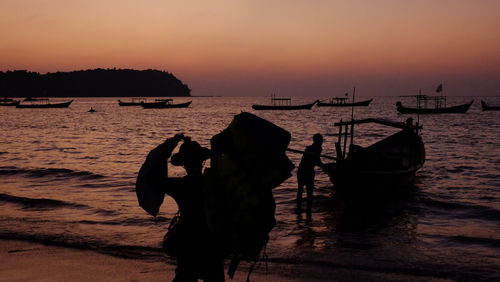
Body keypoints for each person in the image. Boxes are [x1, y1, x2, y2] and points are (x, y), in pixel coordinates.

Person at [161, 134, 225, 282]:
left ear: (184, 164)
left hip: (187, 239)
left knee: (185, 275)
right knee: (214, 276)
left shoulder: (180, 185)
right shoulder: (214, 181)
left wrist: (170, 143)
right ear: (202, 161)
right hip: (211, 240)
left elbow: (154, 180)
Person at [296, 133, 325, 212]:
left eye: (321, 140)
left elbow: (317, 160)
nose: (321, 142)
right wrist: (324, 167)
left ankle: (305, 210)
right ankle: (301, 209)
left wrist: (323, 166)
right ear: (316, 141)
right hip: (304, 170)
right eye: (320, 140)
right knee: (303, 190)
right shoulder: (313, 149)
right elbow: (316, 161)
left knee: (305, 191)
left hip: (305, 170)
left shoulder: (313, 148)